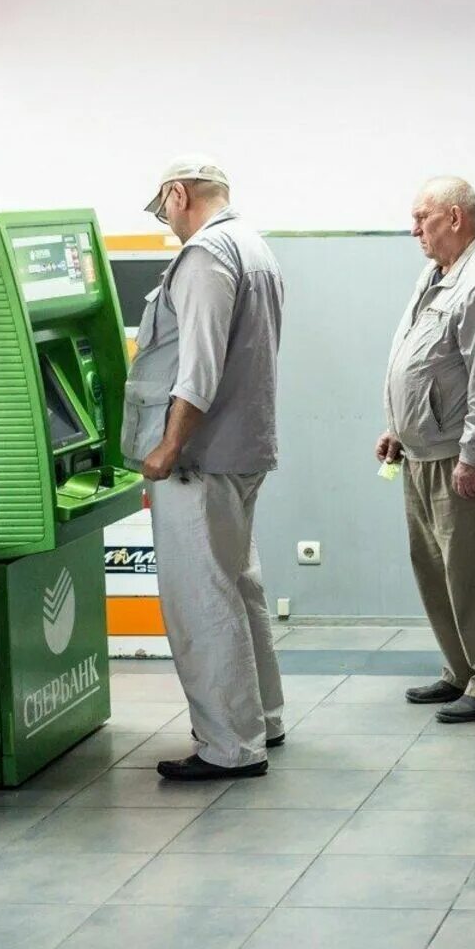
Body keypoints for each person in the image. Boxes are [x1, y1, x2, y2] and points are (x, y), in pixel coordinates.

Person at [125, 158, 286, 782]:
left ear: (177, 194)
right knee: (240, 590)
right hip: (245, 447)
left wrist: (168, 445)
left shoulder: (204, 256)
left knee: (203, 600)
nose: (166, 222)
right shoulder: (255, 247)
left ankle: (228, 746)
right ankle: (263, 720)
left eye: (163, 209)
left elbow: (198, 365)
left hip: (201, 457)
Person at [377, 177, 475, 723]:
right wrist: (397, 425)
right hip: (420, 452)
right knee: (436, 567)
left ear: (457, 217)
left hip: (461, 457)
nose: (414, 229)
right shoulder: (435, 274)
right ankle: (462, 669)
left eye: (423, 218)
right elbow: (419, 359)